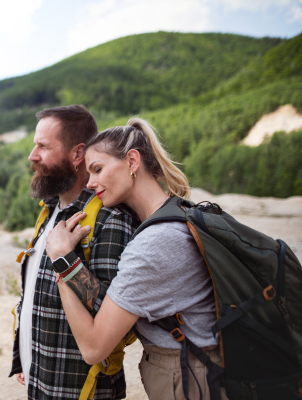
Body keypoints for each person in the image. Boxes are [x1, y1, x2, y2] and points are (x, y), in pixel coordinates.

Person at [45, 117, 226, 400]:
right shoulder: (179, 211)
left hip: (192, 377)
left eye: (98, 169)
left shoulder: (154, 244)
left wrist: (62, 259)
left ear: (132, 161)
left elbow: (94, 348)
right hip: (200, 368)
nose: (90, 183)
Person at [10, 105, 139, 399]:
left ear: (77, 154)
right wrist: (26, 355)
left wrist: (67, 261)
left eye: (43, 146)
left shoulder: (109, 219)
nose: (32, 156)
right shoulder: (50, 212)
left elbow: (112, 318)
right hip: (41, 384)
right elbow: (34, 294)